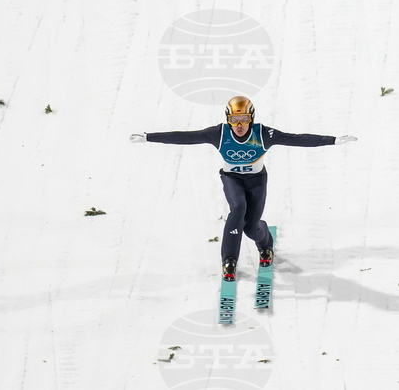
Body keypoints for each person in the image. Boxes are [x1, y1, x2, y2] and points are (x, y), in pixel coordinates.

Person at [130, 96, 356, 282]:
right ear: (228, 120)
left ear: (251, 119)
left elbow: (297, 139)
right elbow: (186, 137)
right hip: (232, 179)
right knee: (237, 208)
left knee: (250, 229)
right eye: (234, 120)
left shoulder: (263, 134)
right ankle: (229, 260)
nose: (239, 126)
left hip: (257, 181)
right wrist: (149, 137)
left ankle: (265, 241)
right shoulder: (219, 133)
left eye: (244, 120)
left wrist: (333, 140)